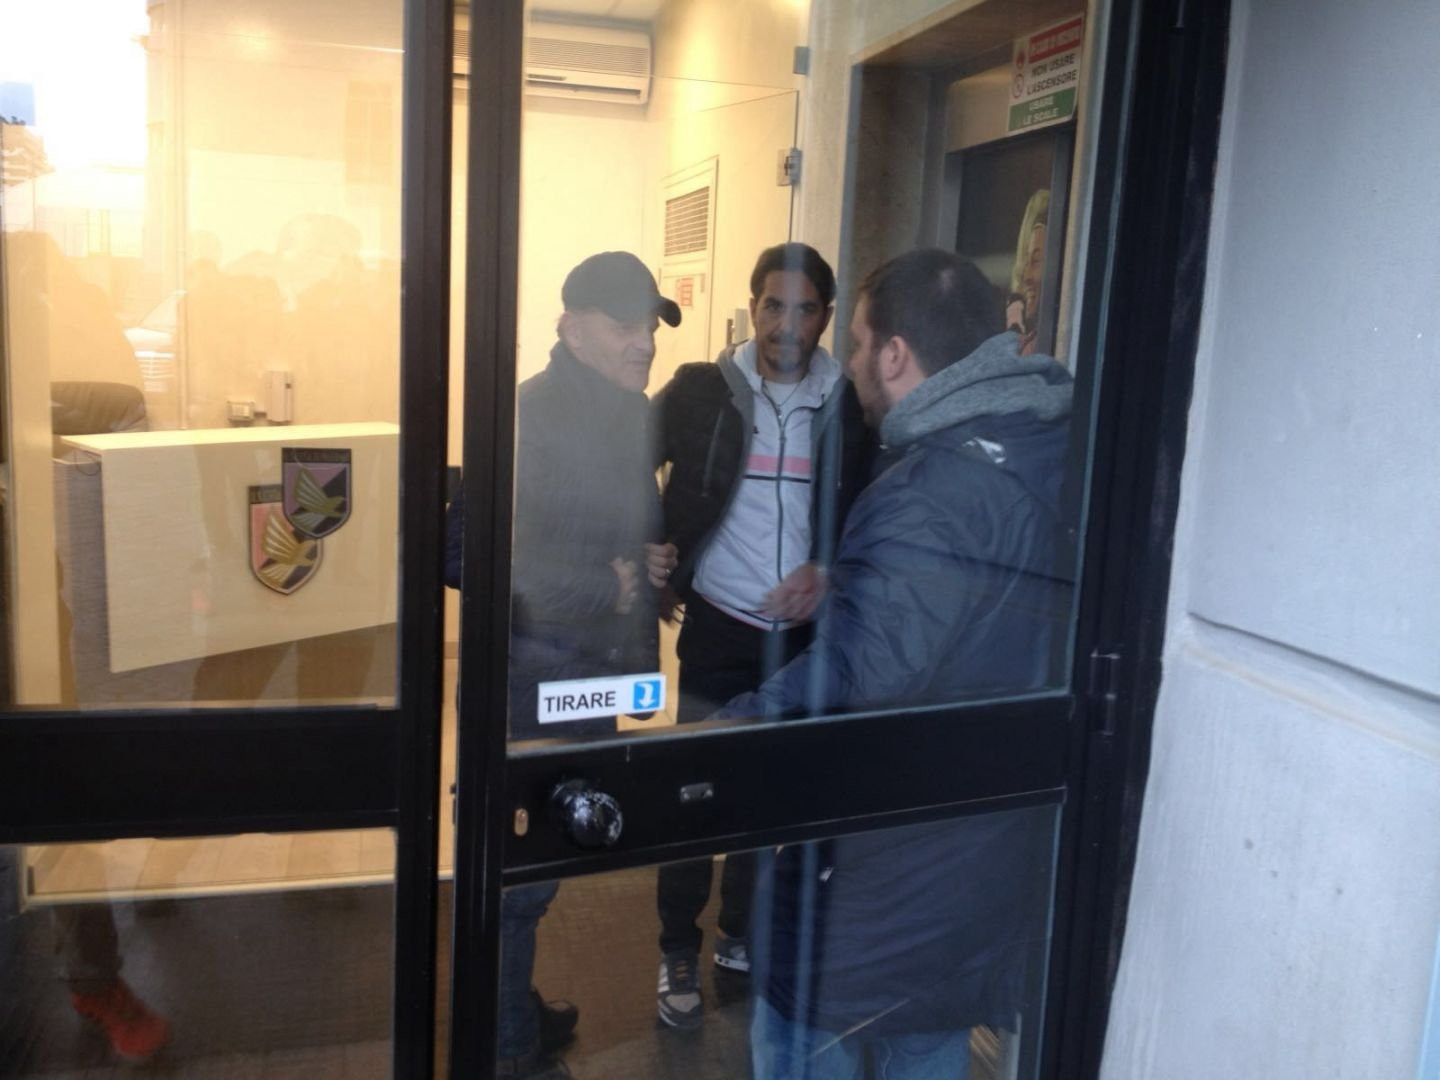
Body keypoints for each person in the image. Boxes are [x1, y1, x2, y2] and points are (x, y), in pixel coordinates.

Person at [720, 249, 1074, 1078]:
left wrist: (711, 744)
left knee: (797, 1040)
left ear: (894, 355)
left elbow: (859, 676)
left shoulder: (929, 493)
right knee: (930, 1041)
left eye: (856, 343)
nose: (847, 363)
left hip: (877, 891)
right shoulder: (1048, 445)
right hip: (979, 878)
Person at [445, 250, 679, 1078]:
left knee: (546, 855)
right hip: (527, 680)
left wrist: (650, 563)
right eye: (626, 326)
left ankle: (510, 1008)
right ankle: (506, 1045)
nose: (645, 343)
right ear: (571, 330)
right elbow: (465, 551)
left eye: (651, 327)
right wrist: (602, 585)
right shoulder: (524, 419)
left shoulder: (629, 413)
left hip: (590, 674)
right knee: (520, 871)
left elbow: (621, 529)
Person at [645, 243, 872, 1029]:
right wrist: (651, 544)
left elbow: (868, 506)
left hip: (800, 639)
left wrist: (828, 568)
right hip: (719, 627)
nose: (786, 325)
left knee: (764, 796)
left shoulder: (847, 403)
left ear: (825, 318)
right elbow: (628, 463)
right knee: (694, 792)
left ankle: (738, 933)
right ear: (752, 309)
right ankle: (678, 945)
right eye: (773, 306)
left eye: (804, 310)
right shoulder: (701, 390)